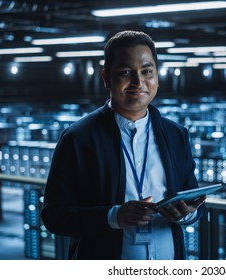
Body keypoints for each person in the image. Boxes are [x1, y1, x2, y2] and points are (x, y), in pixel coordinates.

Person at [41, 30, 206, 260]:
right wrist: (114, 216)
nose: (139, 82)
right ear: (106, 78)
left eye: (147, 71)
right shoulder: (78, 139)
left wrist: (186, 214)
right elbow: (54, 215)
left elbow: (195, 203)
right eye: (125, 72)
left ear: (157, 77)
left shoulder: (176, 135)